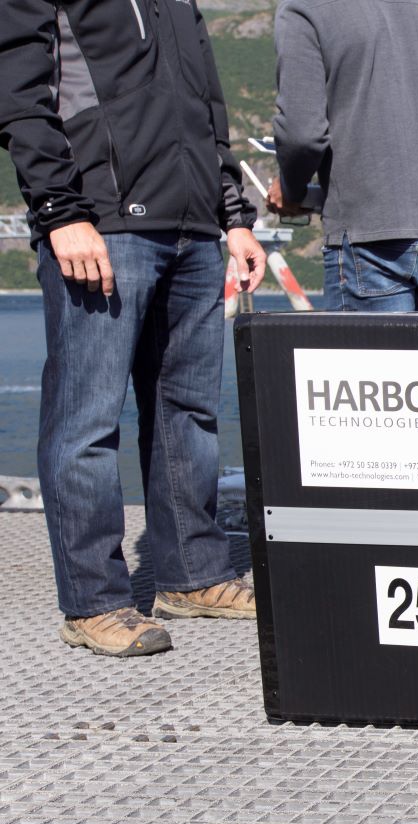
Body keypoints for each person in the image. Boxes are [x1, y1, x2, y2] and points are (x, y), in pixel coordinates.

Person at [0, 0, 268, 657]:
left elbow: (207, 104)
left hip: (194, 225)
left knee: (190, 413)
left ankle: (192, 575)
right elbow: (18, 89)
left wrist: (232, 214)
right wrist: (60, 211)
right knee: (87, 419)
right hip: (101, 221)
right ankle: (93, 602)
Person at [267, 0, 418, 313]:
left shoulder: (304, 10)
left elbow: (302, 136)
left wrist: (291, 190)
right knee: (410, 362)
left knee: (365, 361)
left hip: (368, 241)